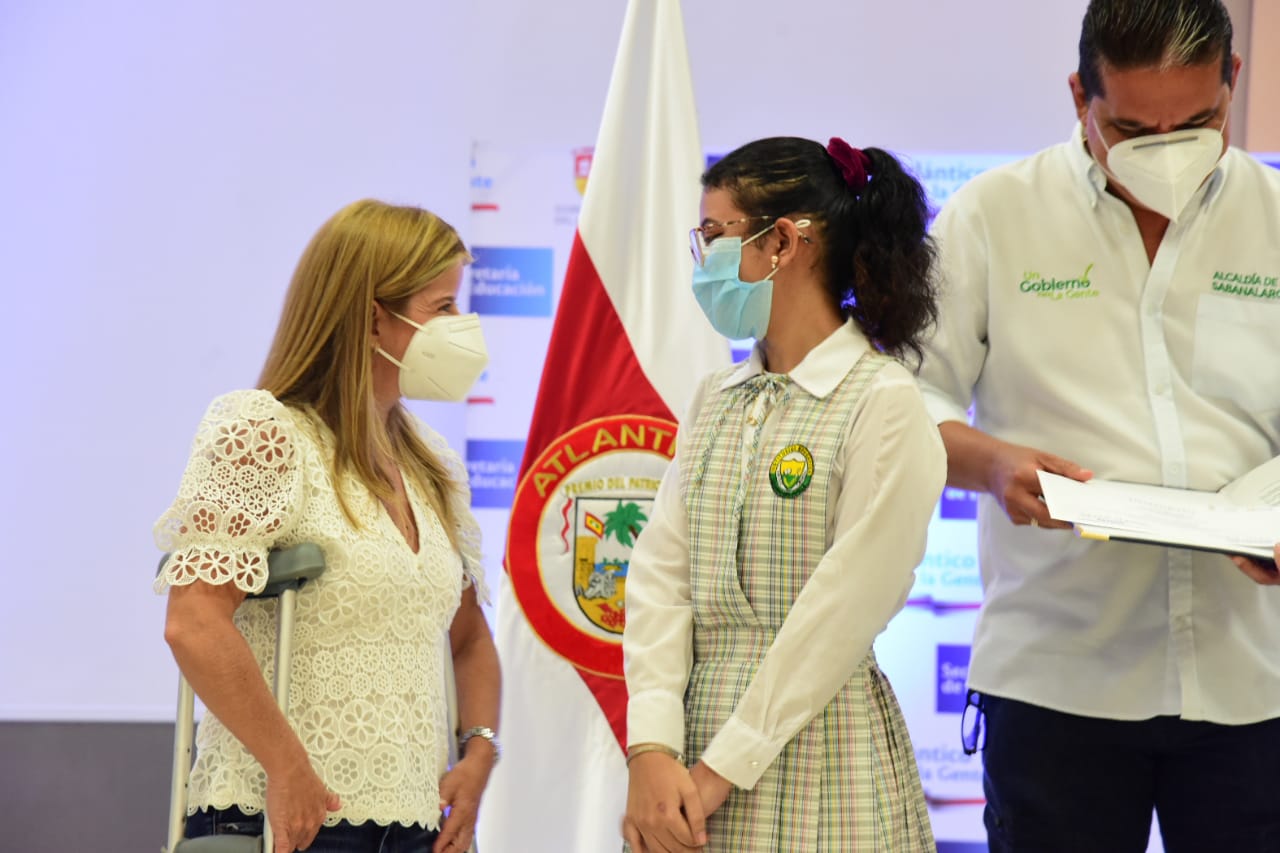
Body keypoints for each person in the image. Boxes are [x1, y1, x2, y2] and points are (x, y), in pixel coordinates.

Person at [914, 1, 1280, 850]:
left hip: (1254, 681)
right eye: (1130, 128)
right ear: (1079, 94)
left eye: (1196, 123)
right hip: (1056, 680)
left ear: (1233, 83)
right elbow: (902, 407)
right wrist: (995, 464)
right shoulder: (991, 217)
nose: (1166, 151)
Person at [621, 136, 946, 852]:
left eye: (714, 234)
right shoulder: (717, 396)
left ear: (784, 243)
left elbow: (838, 616)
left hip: (815, 744)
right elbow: (659, 578)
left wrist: (716, 772)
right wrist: (649, 746)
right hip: (686, 752)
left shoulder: (882, 402)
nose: (702, 258)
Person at [155, 199, 501, 853]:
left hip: (417, 827)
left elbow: (468, 640)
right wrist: (288, 765)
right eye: (444, 307)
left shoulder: (432, 464)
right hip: (286, 819)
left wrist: (478, 752)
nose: (463, 329)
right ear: (375, 317)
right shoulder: (262, 430)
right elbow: (194, 623)